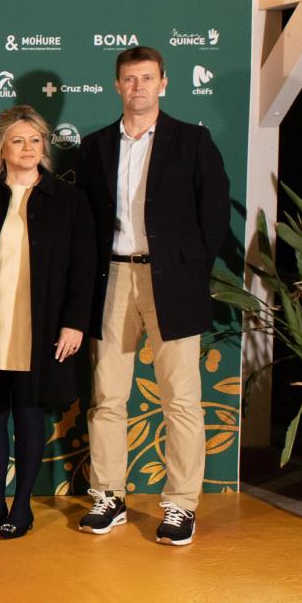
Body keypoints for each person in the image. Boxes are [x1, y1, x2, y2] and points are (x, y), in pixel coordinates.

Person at [75, 46, 228, 546]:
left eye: (146, 78)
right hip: (113, 278)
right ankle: (109, 496)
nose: (137, 86)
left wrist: (188, 272)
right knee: (107, 397)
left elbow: (215, 215)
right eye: (129, 78)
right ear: (116, 86)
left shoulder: (193, 141)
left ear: (164, 83)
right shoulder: (95, 146)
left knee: (181, 398)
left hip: (172, 282)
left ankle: (181, 504)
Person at [0, 106, 94, 539]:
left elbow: (84, 268)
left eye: (35, 140)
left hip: (42, 329)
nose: (28, 148)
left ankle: (22, 506)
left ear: (45, 145)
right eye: (18, 140)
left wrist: (74, 324)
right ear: (2, 148)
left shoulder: (70, 200)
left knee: (29, 417)